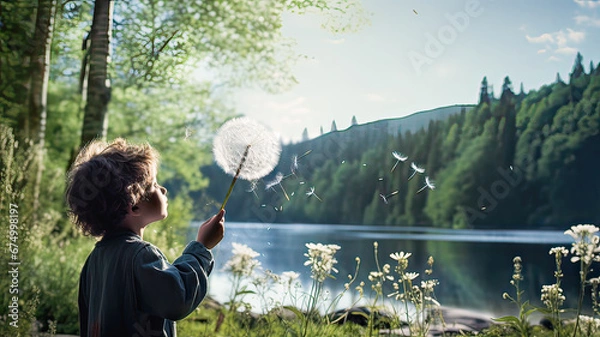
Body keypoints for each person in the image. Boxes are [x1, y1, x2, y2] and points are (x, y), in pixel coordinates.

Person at [65, 138, 225, 337]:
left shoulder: (94, 261)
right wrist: (201, 247)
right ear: (134, 206)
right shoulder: (140, 255)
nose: (163, 189)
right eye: (154, 185)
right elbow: (178, 298)